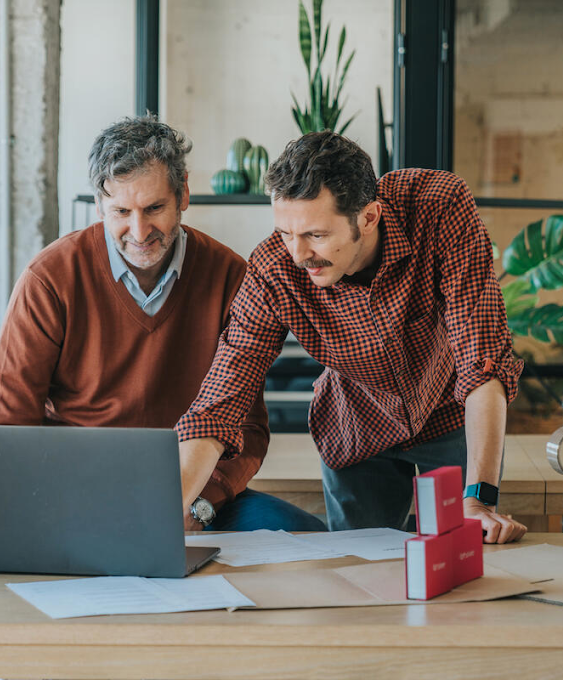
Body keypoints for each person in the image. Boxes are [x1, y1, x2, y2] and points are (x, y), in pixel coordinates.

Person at [0, 115, 325, 533]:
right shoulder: (49, 279)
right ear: (99, 204)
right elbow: (5, 426)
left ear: (183, 196)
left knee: (306, 538)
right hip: (76, 496)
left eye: (155, 208)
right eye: (121, 211)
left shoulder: (231, 276)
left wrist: (201, 505)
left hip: (193, 497)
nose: (139, 231)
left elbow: (248, 430)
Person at [176, 130, 527, 544]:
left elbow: (481, 355)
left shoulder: (438, 206)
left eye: (316, 235)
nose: (298, 254)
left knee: (462, 554)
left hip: (451, 414)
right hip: (357, 426)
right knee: (363, 571)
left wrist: (479, 499)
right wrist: (170, 511)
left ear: (369, 216)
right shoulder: (274, 268)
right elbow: (222, 398)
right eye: (286, 233)